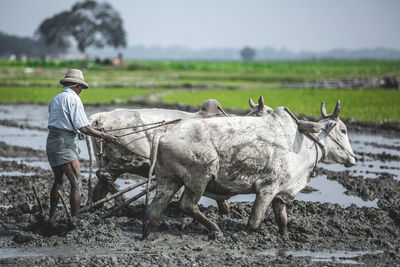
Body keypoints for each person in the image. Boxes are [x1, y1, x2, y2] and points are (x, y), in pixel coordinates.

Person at [46, 69, 116, 221]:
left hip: (52, 141)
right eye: (81, 89)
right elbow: (83, 128)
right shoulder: (73, 99)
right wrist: (105, 136)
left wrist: (95, 129)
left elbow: (68, 123)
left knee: (58, 181)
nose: (81, 92)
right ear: (77, 86)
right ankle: (75, 220)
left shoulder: (56, 98)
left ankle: (51, 217)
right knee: (77, 182)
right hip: (64, 143)